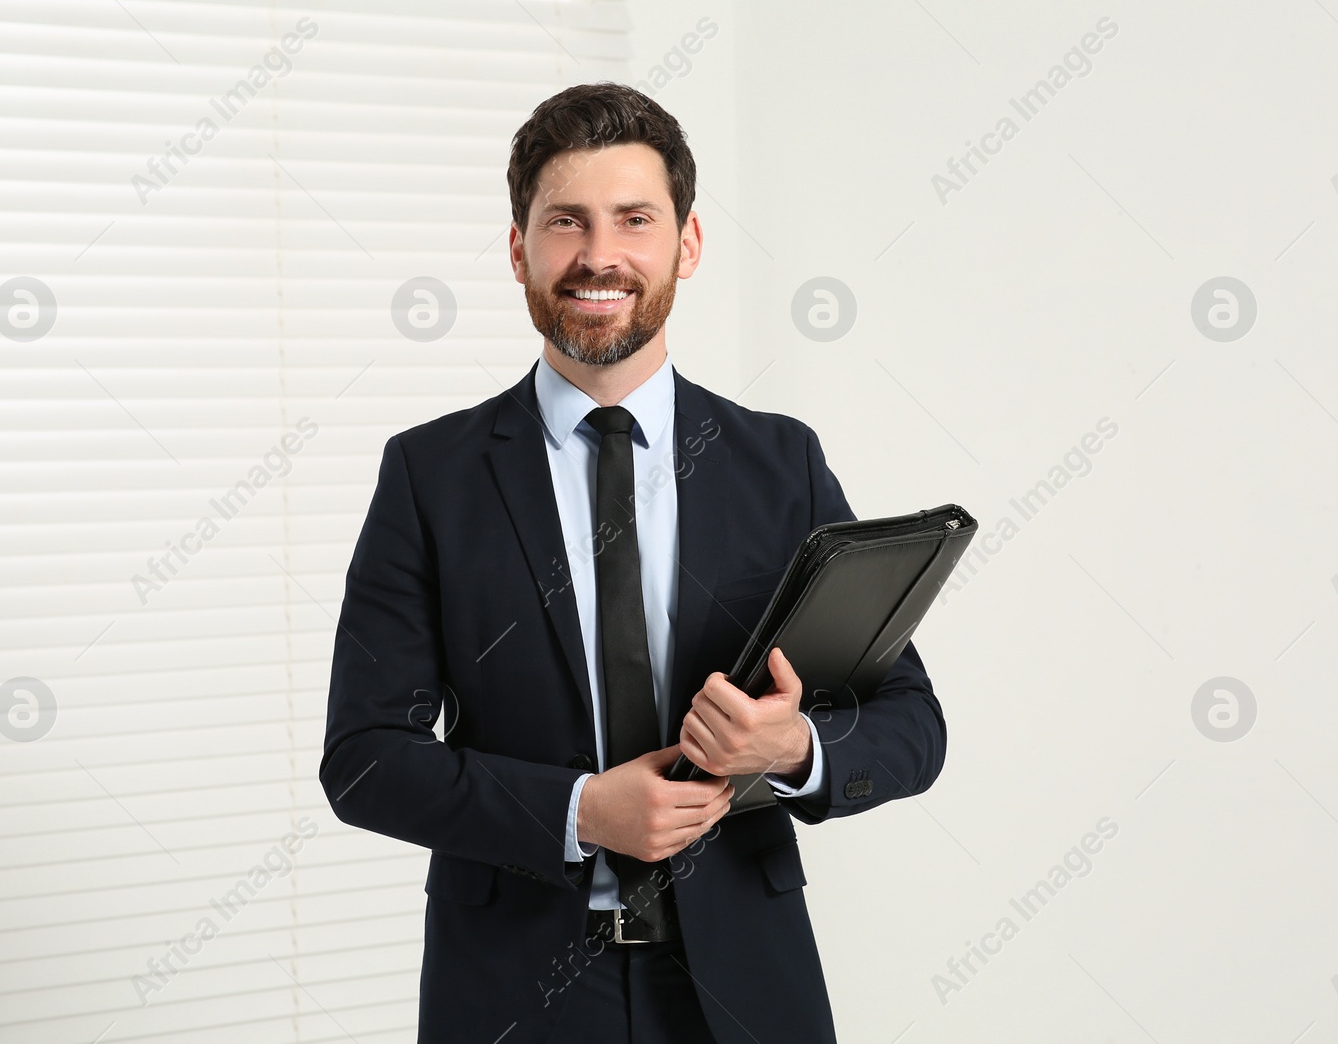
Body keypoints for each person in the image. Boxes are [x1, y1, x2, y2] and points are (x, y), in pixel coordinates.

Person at [320, 82, 947, 1044]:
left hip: (748, 983)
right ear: (519, 247)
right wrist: (579, 810)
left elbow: (910, 723)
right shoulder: (429, 475)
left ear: (686, 245)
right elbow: (365, 760)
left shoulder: (779, 462)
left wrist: (788, 751)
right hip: (513, 994)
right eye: (565, 222)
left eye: (634, 220)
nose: (598, 255)